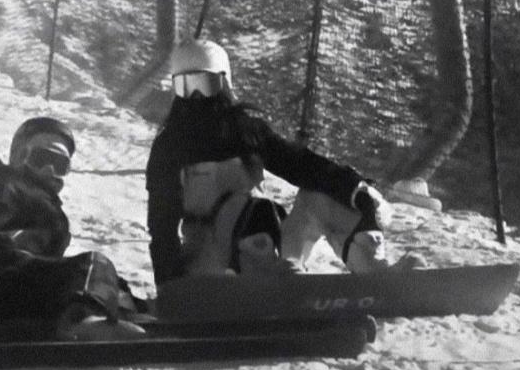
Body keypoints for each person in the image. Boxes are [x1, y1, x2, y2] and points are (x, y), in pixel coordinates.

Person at [146, 38, 411, 285]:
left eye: (204, 85)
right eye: (185, 87)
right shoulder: (170, 146)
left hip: (262, 249)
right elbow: (162, 222)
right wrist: (170, 287)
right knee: (244, 209)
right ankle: (273, 281)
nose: (196, 97)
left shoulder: (247, 131)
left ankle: (373, 272)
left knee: (319, 194)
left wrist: (355, 189)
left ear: (224, 84)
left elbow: (300, 165)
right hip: (209, 270)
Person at [0, 116, 145, 340]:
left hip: (16, 298)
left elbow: (50, 271)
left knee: (99, 276)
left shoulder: (48, 208)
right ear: (20, 156)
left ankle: (118, 312)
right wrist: (10, 251)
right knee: (94, 263)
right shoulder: (5, 181)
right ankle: (82, 320)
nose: (50, 170)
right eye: (41, 158)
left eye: (60, 165)